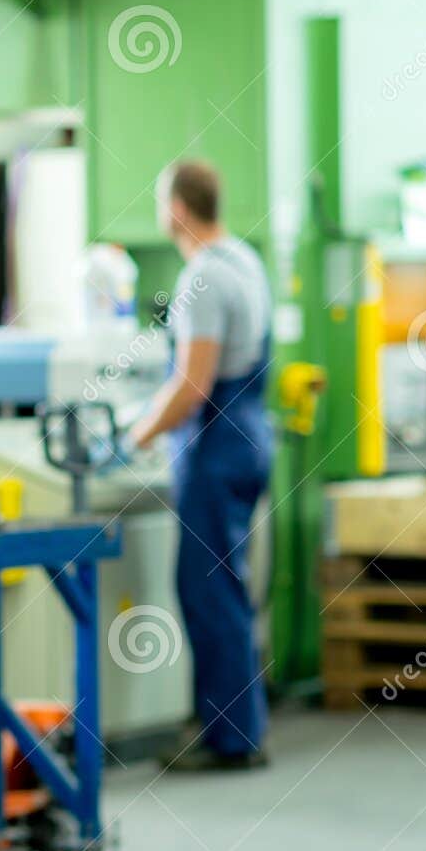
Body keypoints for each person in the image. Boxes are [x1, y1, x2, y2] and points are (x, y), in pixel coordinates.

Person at [128, 159, 273, 771]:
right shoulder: (244, 259)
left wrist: (137, 432)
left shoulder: (203, 280)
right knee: (224, 586)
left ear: (178, 210)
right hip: (250, 438)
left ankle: (232, 739)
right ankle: (233, 724)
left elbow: (192, 384)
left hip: (216, 449)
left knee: (207, 591)